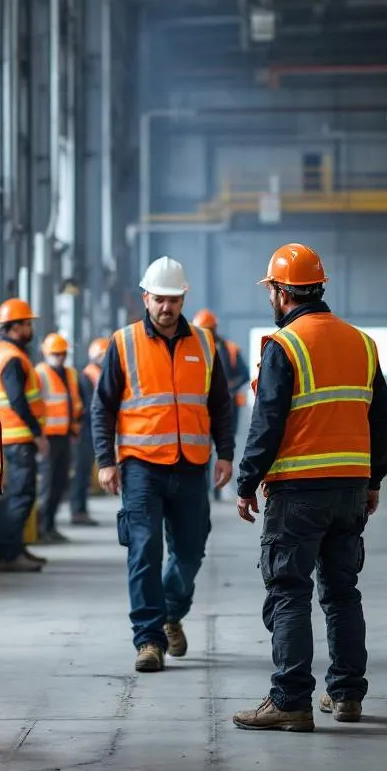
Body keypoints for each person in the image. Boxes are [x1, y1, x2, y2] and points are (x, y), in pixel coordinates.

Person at [232, 242, 387, 733]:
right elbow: (382, 418)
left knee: (289, 592)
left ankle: (291, 700)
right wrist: (373, 480)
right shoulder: (362, 343)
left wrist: (247, 481)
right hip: (349, 491)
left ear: (281, 292)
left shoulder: (285, 346)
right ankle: (345, 696)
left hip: (299, 492)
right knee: (343, 593)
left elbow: (268, 422)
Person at [92, 256, 235, 673]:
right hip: (141, 467)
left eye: (173, 300)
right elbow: (103, 408)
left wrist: (224, 453)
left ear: (183, 297)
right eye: (159, 300)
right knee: (144, 552)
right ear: (146, 298)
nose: (166, 308)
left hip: (192, 466)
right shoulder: (124, 343)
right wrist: (106, 460)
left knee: (190, 552)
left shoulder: (206, 344)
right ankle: (149, 640)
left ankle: (170, 612)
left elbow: (221, 405)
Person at [0, 298, 48, 573]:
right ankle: (6, 555)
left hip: (13, 437)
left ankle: (14, 549)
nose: (29, 328)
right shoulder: (12, 358)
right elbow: (17, 401)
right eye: (26, 324)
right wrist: (37, 432)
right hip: (19, 437)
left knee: (18, 495)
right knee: (20, 496)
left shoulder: (3, 352)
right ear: (14, 327)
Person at [193, 308, 250, 501]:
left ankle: (223, 487)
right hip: (202, 405)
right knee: (204, 445)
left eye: (209, 329)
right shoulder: (193, 349)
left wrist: (230, 387)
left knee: (225, 444)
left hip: (228, 406)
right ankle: (208, 488)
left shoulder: (230, 349)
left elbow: (244, 373)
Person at [35, 333, 84, 543]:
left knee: (60, 482)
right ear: (46, 353)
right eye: (55, 354)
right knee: (47, 484)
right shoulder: (39, 374)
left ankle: (51, 525)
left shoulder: (71, 374)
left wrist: (75, 427)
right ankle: (43, 528)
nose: (60, 357)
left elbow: (76, 403)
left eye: (63, 354)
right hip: (47, 438)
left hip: (65, 436)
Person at [70, 337, 110, 526]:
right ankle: (78, 511)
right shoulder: (87, 376)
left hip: (92, 430)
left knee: (85, 473)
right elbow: (88, 407)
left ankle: (81, 510)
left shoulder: (101, 374)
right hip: (85, 432)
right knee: (81, 472)